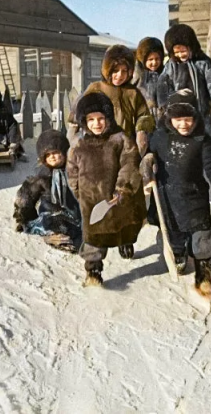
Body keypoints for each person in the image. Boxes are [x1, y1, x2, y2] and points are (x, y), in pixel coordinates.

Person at [141, 94, 211, 299]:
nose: (183, 124)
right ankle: (178, 253)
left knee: (202, 235)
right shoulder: (160, 137)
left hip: (194, 195)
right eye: (178, 119)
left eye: (188, 119)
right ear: (169, 118)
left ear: (196, 117)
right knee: (174, 232)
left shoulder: (201, 139)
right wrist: (146, 161)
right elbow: (148, 153)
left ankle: (204, 273)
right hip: (167, 195)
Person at [66, 93, 146, 286]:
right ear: (84, 122)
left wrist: (123, 188)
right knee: (94, 235)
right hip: (91, 200)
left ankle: (125, 242)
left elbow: (129, 164)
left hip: (118, 196)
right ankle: (93, 270)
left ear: (109, 118)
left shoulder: (120, 140)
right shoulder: (78, 145)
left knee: (123, 225)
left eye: (101, 118)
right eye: (91, 120)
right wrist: (80, 193)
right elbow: (72, 172)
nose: (97, 124)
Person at [72, 44, 155, 155]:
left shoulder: (133, 93)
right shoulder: (96, 88)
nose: (119, 75)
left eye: (124, 71)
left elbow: (143, 115)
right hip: (100, 144)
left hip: (126, 144)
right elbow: (79, 113)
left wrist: (141, 132)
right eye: (115, 70)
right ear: (107, 69)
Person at [14, 130, 81, 253]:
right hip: (51, 211)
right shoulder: (42, 174)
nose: (52, 157)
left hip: (73, 209)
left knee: (81, 227)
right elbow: (27, 195)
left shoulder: (74, 170)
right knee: (52, 224)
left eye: (56, 153)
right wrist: (23, 217)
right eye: (48, 155)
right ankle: (53, 237)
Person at [157, 24, 211, 142]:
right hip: (181, 112)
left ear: (191, 47)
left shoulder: (202, 62)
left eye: (183, 51)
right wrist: (164, 104)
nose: (180, 55)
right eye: (176, 52)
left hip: (202, 108)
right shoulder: (171, 66)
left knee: (206, 135)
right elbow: (163, 84)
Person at [132, 37, 165, 121]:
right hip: (144, 118)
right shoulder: (136, 76)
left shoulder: (165, 74)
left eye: (157, 59)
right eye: (150, 59)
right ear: (142, 59)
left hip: (163, 118)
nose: (154, 63)